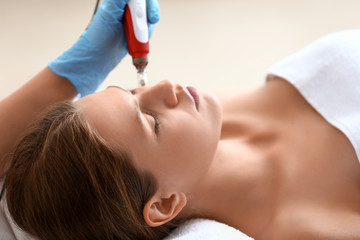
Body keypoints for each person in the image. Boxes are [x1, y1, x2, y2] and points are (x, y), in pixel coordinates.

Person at [0, 0, 359, 239]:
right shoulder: (312, 227)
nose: (166, 86)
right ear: (164, 205)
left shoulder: (213, 117)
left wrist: (73, 72)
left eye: (133, 92)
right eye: (152, 122)